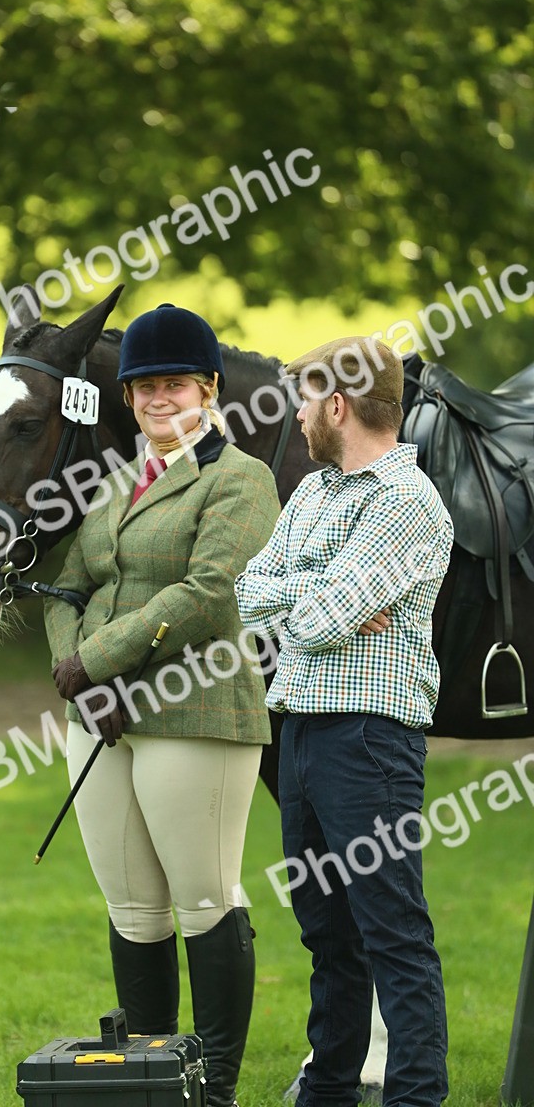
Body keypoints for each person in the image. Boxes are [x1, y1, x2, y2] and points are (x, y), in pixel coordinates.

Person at [43, 303, 281, 1107]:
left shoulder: (241, 479)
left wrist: (98, 659)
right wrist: (75, 671)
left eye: (173, 384)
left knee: (204, 899)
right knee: (134, 909)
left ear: (209, 389)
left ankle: (214, 1092)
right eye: (143, 386)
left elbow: (211, 595)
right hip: (103, 721)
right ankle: (148, 1087)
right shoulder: (111, 486)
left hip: (197, 710)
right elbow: (66, 584)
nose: (156, 399)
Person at [235, 336, 453, 1107]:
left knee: (392, 931)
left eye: (305, 398)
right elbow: (246, 594)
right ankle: (329, 1089)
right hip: (299, 735)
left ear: (339, 404)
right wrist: (324, 595)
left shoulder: (408, 503)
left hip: (370, 742)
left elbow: (322, 615)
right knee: (325, 932)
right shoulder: (313, 495)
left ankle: (416, 1095)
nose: (294, 414)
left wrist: (314, 598)